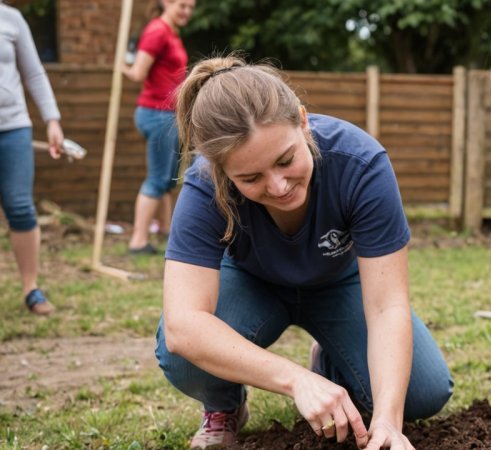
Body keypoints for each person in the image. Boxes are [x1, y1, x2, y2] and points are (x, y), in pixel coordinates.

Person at [155, 55, 454, 448]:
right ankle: (224, 404)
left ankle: (329, 362)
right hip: (252, 283)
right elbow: (183, 325)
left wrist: (387, 423)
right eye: (250, 177)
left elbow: (386, 307)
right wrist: (295, 380)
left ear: (302, 120)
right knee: (183, 357)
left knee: (423, 393)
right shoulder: (203, 187)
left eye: (286, 160)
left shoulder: (361, 165)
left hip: (337, 282)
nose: (278, 187)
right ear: (220, 169)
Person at [0, 1, 65, 315]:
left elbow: (34, 73)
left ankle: (31, 289)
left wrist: (52, 120)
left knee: (20, 206)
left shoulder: (11, 19)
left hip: (13, 127)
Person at [121, 0, 195, 254]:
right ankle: (138, 241)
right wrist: (121, 65)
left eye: (191, 7)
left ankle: (165, 230)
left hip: (167, 115)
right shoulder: (157, 31)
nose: (187, 11)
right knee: (157, 180)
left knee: (166, 179)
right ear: (166, 2)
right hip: (156, 114)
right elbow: (138, 73)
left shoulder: (171, 32)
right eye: (182, 5)